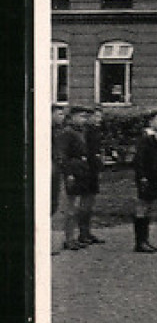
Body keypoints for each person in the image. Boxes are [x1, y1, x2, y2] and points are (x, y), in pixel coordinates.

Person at [57, 106, 91, 251]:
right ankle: (68, 238)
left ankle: (73, 237)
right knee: (70, 207)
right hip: (73, 171)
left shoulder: (79, 132)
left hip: (80, 170)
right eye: (81, 116)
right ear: (72, 117)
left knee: (76, 206)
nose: (84, 120)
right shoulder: (67, 133)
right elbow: (62, 155)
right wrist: (69, 173)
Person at [132, 112, 157, 254]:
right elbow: (139, 159)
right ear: (150, 122)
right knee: (143, 205)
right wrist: (142, 176)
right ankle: (140, 242)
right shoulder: (145, 138)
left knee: (149, 206)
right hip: (146, 176)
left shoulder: (155, 137)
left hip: (154, 176)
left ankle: (145, 240)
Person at [78, 105, 105, 245]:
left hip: (93, 169)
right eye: (96, 116)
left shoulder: (95, 131)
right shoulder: (87, 132)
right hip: (87, 169)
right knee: (86, 201)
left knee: (91, 201)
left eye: (100, 117)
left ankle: (87, 232)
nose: (99, 119)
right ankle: (83, 233)